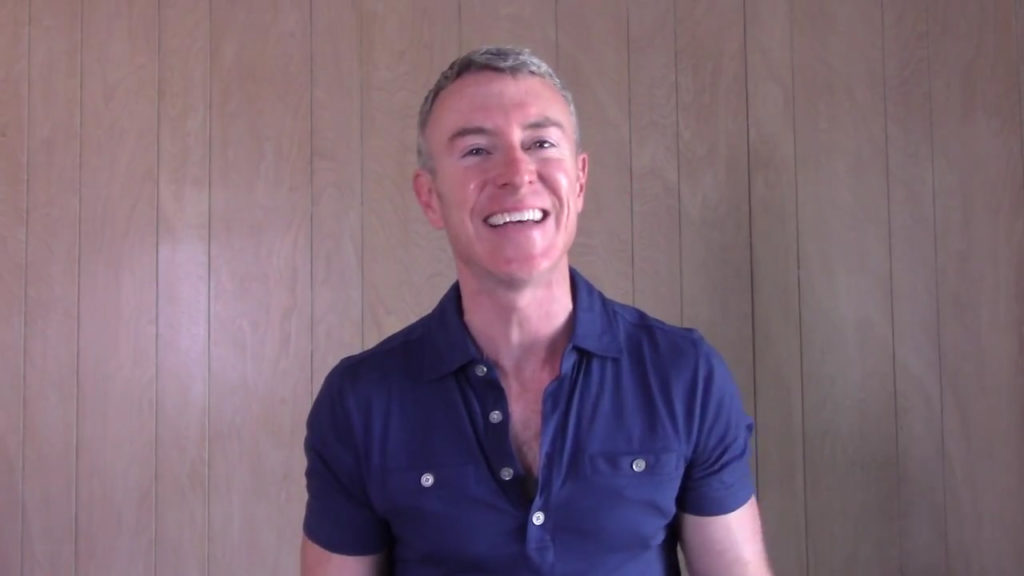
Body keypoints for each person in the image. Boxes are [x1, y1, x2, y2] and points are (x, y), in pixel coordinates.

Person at [300, 46, 773, 576]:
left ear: (580, 179)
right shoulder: (360, 400)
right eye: (478, 150)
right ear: (430, 197)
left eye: (541, 143)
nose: (517, 172)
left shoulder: (685, 374)